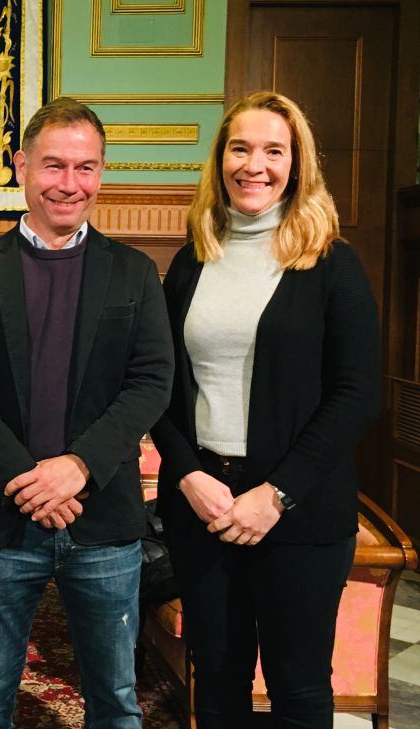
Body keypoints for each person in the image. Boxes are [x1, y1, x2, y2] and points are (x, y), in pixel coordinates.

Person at [0, 97, 174, 728]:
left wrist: (76, 468)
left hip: (103, 522)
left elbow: (152, 382)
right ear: (21, 167)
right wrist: (29, 479)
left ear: (101, 173)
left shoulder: (134, 272)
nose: (70, 184)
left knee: (116, 702)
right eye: (54, 165)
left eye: (86, 167)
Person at [150, 91, 381, 728]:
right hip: (204, 506)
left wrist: (275, 494)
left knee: (298, 688)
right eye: (240, 148)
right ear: (219, 161)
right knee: (216, 684)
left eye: (273, 150)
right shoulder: (194, 260)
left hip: (299, 512)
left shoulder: (333, 263)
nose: (255, 165)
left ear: (296, 163)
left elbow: (358, 393)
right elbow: (158, 384)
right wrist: (189, 474)